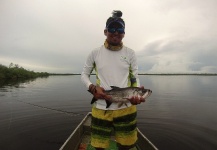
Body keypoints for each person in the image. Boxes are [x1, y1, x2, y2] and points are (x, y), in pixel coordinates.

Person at [81, 10, 145, 150]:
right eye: (112, 28)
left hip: (127, 107)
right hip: (101, 107)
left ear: (124, 33)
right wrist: (93, 88)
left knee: (127, 145)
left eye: (120, 29)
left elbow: (135, 77)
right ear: (105, 31)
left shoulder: (130, 53)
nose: (116, 32)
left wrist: (137, 93)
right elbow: (84, 75)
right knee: (99, 145)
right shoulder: (95, 53)